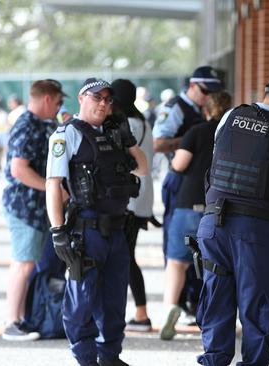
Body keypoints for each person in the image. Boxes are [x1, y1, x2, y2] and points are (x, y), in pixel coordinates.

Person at [195, 73, 269, 365]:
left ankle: (214, 360)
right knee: (257, 301)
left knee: (216, 296)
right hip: (253, 228)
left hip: (213, 222)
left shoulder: (230, 116)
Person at [45, 78, 148, 366]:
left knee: (114, 302)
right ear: (82, 98)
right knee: (81, 304)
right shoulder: (67, 134)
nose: (103, 103)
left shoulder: (114, 134)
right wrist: (58, 231)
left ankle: (110, 357)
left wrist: (127, 140)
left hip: (116, 231)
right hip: (85, 233)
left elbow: (142, 168)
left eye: (107, 99)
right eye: (96, 97)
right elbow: (53, 184)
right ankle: (87, 360)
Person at [153, 65, 222, 340]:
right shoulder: (177, 107)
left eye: (212, 93)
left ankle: (189, 304)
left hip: (195, 188)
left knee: (185, 256)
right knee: (180, 250)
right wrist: (192, 140)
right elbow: (159, 143)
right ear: (193, 86)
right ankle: (182, 304)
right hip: (182, 183)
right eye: (205, 91)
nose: (207, 96)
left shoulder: (201, 117)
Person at [1, 79, 66, 341]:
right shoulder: (26, 125)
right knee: (23, 263)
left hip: (34, 209)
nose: (59, 108)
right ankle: (12, 322)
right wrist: (51, 189)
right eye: (59, 102)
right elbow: (19, 169)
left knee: (27, 262)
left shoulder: (45, 124)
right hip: (23, 206)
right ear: (48, 99)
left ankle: (20, 318)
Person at [111, 79, 155, 332]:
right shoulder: (142, 122)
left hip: (130, 201)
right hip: (140, 200)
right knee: (127, 256)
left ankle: (141, 313)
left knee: (125, 257)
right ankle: (139, 313)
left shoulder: (129, 125)